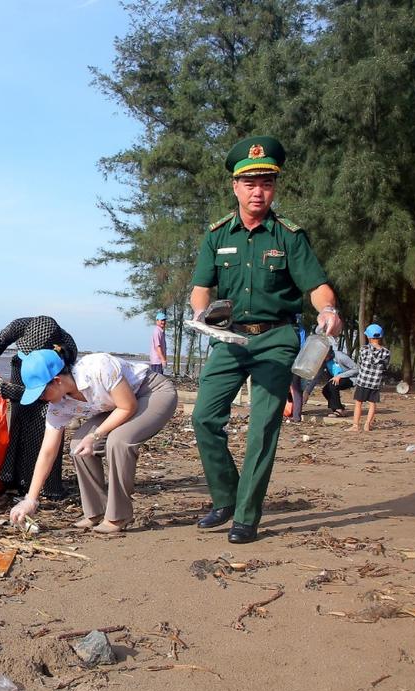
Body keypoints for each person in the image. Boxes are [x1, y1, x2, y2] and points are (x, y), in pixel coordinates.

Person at [189, 136, 343, 545]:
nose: (259, 191)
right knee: (204, 417)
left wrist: (328, 311)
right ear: (235, 187)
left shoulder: (289, 236)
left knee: (262, 428)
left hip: (275, 339)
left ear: (274, 188)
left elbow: (317, 287)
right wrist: (201, 315)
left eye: (267, 183)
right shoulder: (216, 235)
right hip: (228, 339)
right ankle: (225, 498)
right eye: (250, 183)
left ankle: (245, 515)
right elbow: (201, 287)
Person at [9, 349, 177, 534]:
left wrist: (95, 435)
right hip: (116, 406)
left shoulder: (97, 368)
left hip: (151, 392)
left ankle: (118, 516)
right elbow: (48, 451)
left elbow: (128, 406)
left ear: (57, 381)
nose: (40, 399)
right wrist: (31, 499)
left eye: (41, 392)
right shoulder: (59, 406)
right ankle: (96, 511)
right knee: (77, 446)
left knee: (118, 441)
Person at [0, 316, 78, 498]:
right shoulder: (20, 325)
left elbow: (53, 393)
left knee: (41, 428)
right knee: (20, 420)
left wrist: (11, 391)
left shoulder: (67, 345)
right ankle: (14, 477)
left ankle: (44, 484)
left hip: (47, 378)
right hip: (23, 369)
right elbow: (2, 340)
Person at [350, 324, 391, 432]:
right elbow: (386, 366)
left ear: (368, 336)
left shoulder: (364, 349)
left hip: (363, 381)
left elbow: (360, 363)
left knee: (358, 403)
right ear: (380, 336)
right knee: (372, 404)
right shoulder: (386, 353)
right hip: (375, 382)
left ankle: (355, 425)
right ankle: (367, 424)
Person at [320, 344, 358, 417]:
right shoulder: (324, 361)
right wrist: (307, 392)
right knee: (325, 390)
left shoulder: (341, 357)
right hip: (336, 379)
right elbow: (317, 377)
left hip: (350, 378)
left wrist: (340, 376)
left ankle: (339, 410)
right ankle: (340, 409)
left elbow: (356, 369)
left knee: (333, 384)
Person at [149, 311, 168, 375]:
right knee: (157, 381)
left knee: (159, 379)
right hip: (157, 361)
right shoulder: (157, 332)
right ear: (157, 321)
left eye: (164, 320)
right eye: (162, 320)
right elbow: (158, 347)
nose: (163, 322)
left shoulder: (161, 331)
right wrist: (163, 360)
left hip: (159, 361)